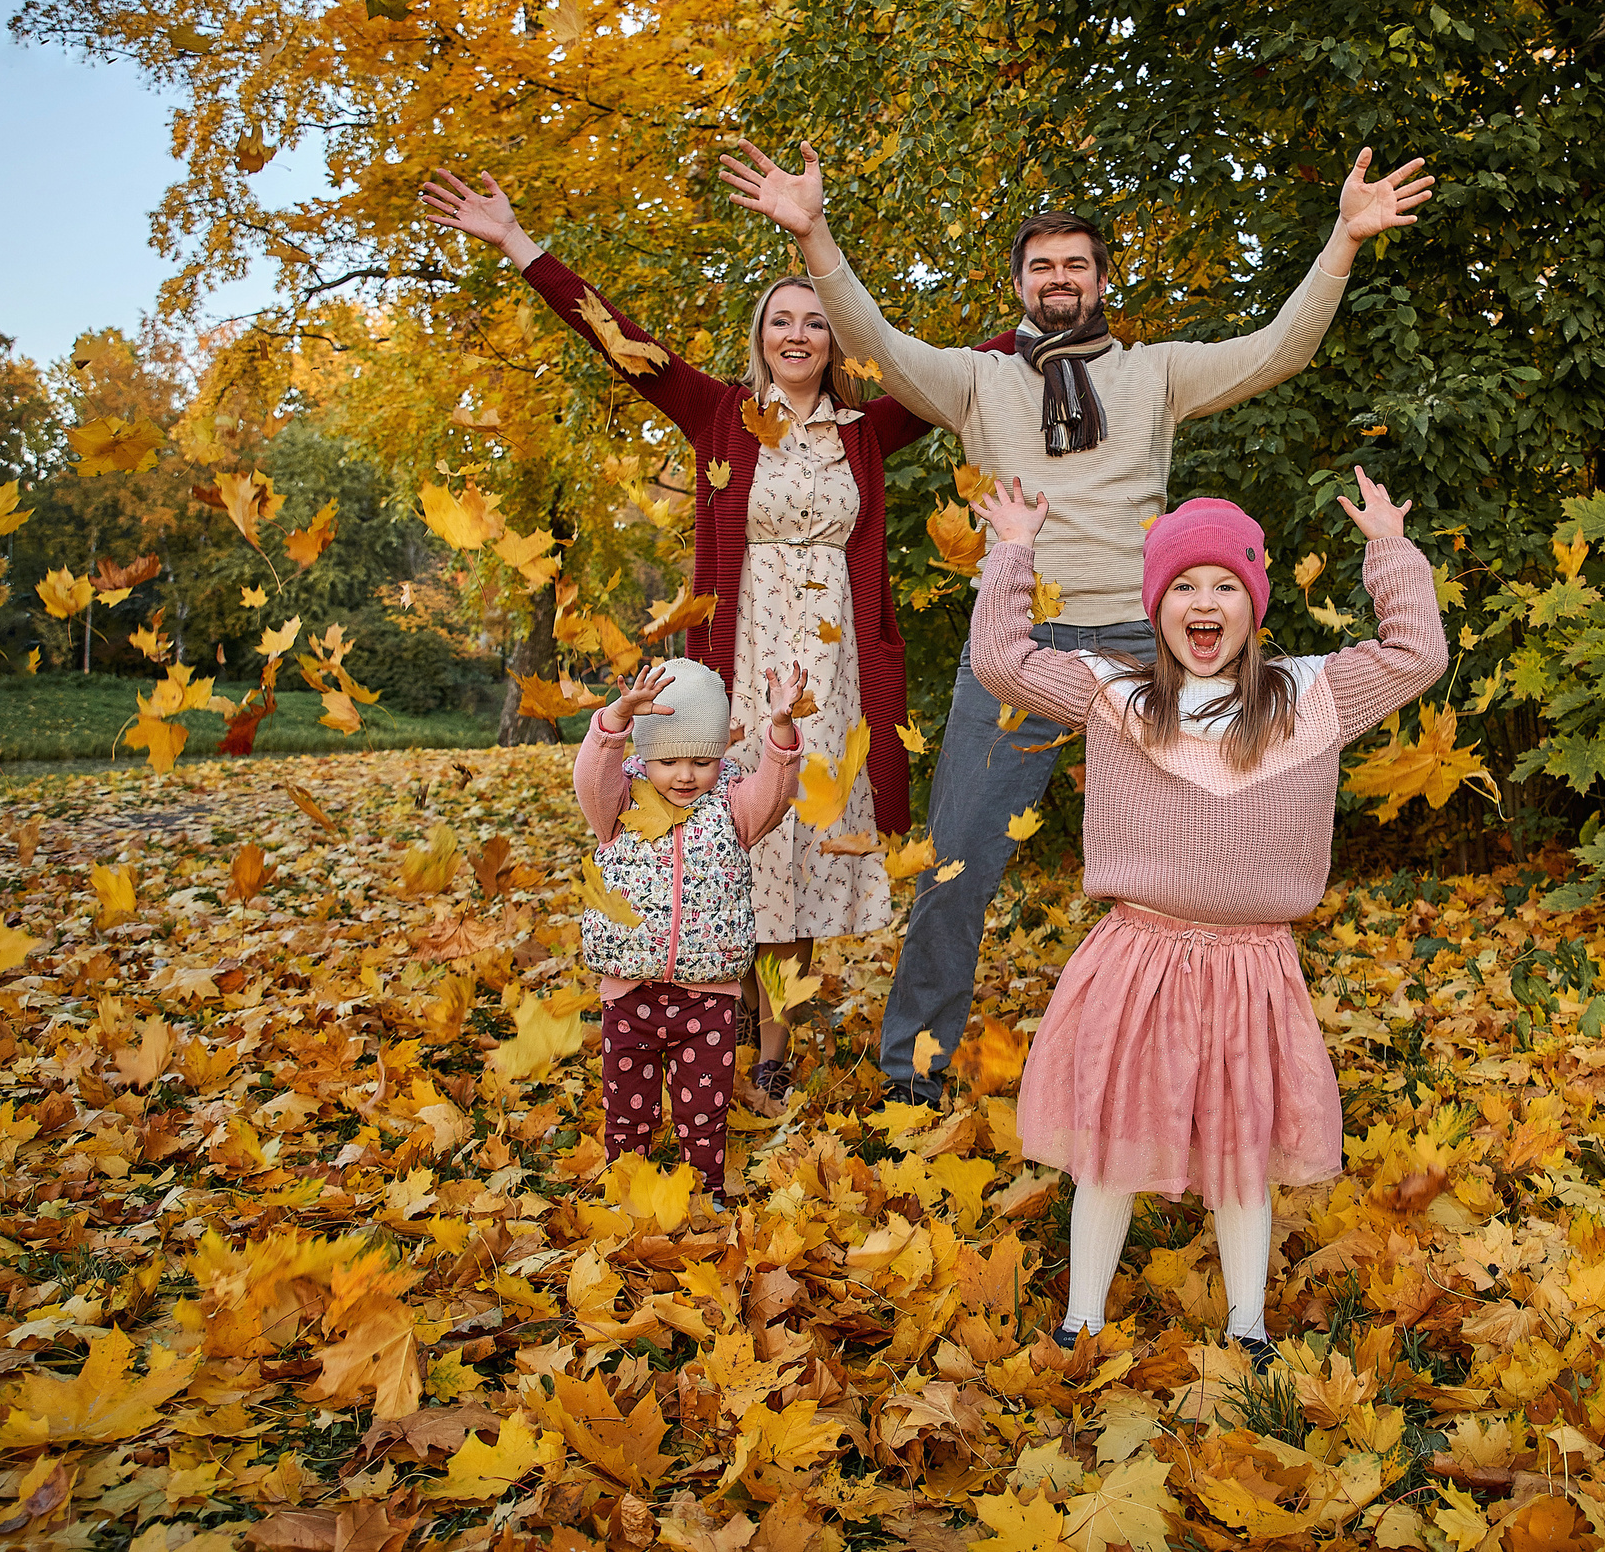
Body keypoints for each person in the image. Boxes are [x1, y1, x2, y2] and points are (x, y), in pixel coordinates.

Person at [717, 139, 1434, 1104]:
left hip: (1153, 657)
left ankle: (1192, 1073)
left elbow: (1279, 350)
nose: (1060, 279)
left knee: (1193, 867)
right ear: (1019, 284)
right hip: (1022, 654)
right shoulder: (976, 383)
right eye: (1041, 266)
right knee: (957, 867)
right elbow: (878, 345)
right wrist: (815, 235)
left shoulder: (1159, 374)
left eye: (1076, 264)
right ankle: (910, 1079)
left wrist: (1343, 239)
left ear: (1101, 280)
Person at [421, 168, 1013, 1097]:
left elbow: (968, 372)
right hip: (735, 666)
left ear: (837, 340)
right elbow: (619, 342)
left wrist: (1049, 318)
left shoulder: (869, 427)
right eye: (783, 319)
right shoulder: (717, 414)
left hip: (833, 674)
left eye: (817, 321)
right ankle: (721, 1014)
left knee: (806, 850)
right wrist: (517, 244)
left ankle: (771, 1044)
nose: (799, 334)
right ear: (760, 336)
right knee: (731, 839)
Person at [962, 467, 1445, 1358]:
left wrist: (1389, 547)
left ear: (1255, 604)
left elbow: (1419, 654)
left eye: (1225, 583)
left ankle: (1248, 1325)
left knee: (1241, 1148)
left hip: (1252, 964)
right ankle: (1083, 1317)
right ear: (1157, 607)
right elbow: (1001, 659)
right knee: (1110, 1141)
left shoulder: (1312, 696)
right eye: (1183, 584)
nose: (1204, 600)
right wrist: (1014, 552)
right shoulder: (1117, 696)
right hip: (1137, 954)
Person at [574, 658, 806, 1193]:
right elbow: (590, 777)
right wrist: (614, 722)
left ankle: (705, 1191)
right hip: (630, 992)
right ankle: (625, 1187)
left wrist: (780, 729)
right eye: (669, 760)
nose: (685, 776)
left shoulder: (732, 804)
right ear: (644, 755)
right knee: (626, 1106)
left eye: (702, 761)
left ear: (719, 756)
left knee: (704, 1110)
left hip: (708, 997)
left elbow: (777, 792)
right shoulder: (618, 803)